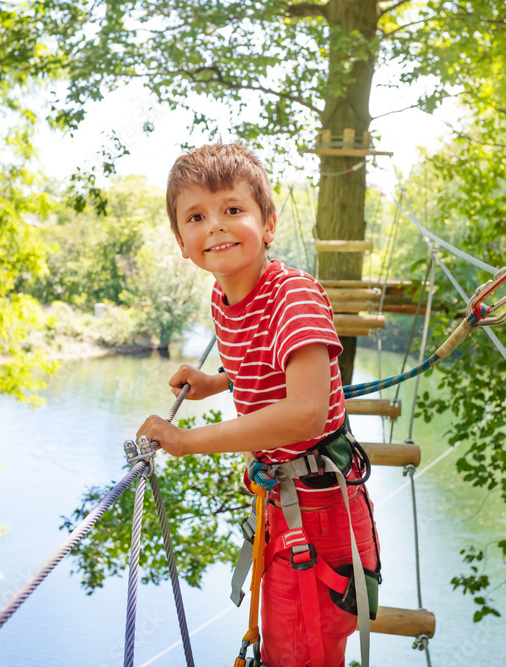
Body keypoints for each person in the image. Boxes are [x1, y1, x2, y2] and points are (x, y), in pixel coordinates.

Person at [136, 143, 381, 667]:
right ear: (182, 242)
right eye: (197, 217)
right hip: (283, 498)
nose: (217, 227)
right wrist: (216, 381)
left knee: (301, 654)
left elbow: (304, 412)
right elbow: (263, 362)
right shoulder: (225, 299)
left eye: (232, 210)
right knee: (283, 644)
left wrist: (187, 441)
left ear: (268, 224)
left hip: (320, 507)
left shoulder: (294, 296)